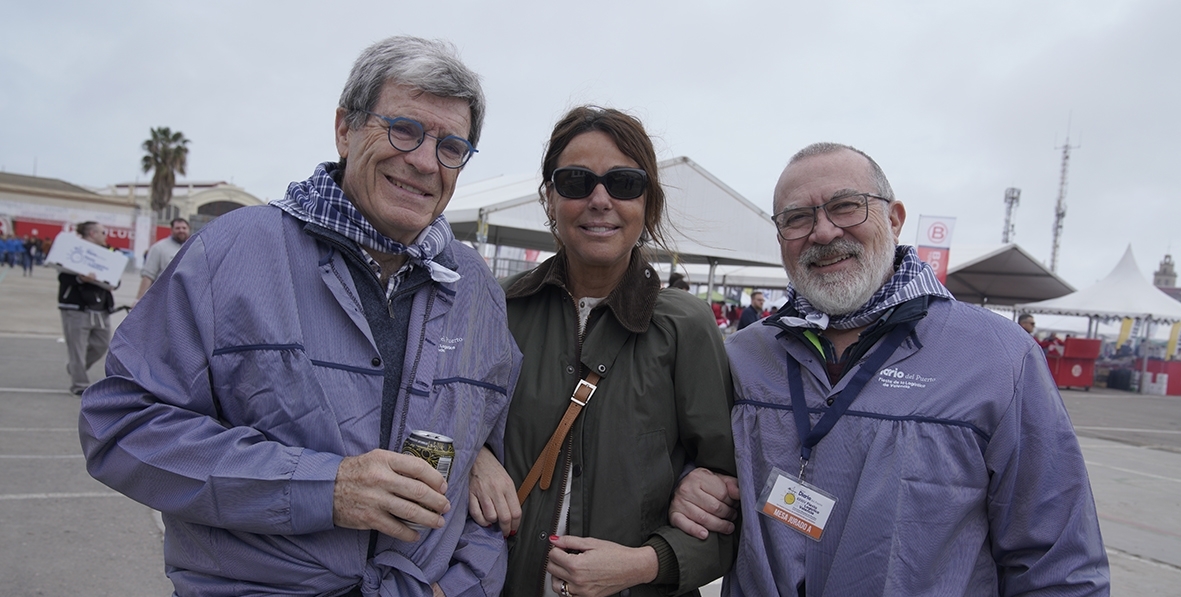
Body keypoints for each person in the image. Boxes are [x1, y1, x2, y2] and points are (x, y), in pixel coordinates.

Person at [78, 36, 523, 597]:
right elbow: (121, 427)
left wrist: (461, 586)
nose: (424, 161)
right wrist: (326, 487)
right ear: (345, 128)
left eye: (451, 146)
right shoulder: (231, 252)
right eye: (404, 129)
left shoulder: (476, 287)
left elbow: (487, 485)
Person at [670, 142, 1109, 596]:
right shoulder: (741, 356)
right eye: (797, 218)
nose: (822, 232)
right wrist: (688, 484)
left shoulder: (998, 358)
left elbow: (1058, 564)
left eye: (845, 207)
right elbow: (689, 460)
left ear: (894, 218)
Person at [466, 106, 737, 597]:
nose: (599, 199)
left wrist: (645, 564)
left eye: (623, 183)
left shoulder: (686, 327)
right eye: (575, 181)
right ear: (550, 197)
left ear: (648, 203)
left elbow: (730, 500)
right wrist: (474, 454)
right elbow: (439, 422)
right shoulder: (498, 308)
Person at [57, 222, 117, 395]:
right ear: (92, 233)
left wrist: (112, 282)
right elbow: (63, 276)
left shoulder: (108, 252)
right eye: (103, 232)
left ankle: (76, 368)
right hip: (76, 306)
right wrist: (80, 279)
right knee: (77, 347)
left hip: (100, 306)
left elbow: (115, 277)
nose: (105, 235)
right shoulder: (74, 250)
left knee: (102, 344)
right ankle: (80, 384)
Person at [135, 217, 190, 300]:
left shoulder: (193, 248)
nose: (181, 230)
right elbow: (148, 275)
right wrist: (138, 299)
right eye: (177, 228)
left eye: (184, 228)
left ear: (188, 230)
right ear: (171, 230)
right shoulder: (159, 248)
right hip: (161, 300)